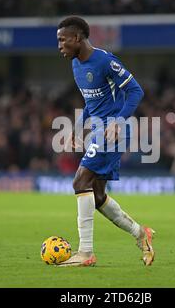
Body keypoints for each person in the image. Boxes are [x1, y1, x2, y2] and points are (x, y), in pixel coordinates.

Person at [56, 16, 155, 266]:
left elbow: (136, 91)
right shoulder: (76, 65)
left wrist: (117, 122)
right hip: (100, 130)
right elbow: (92, 103)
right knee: (97, 196)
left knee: (80, 181)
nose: (60, 46)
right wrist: (78, 127)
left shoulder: (104, 60)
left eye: (62, 40)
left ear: (77, 38)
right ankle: (141, 234)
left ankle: (86, 252)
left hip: (114, 131)